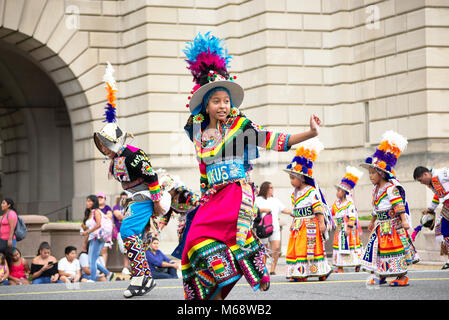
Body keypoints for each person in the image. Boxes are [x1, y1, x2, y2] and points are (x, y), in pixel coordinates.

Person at [178, 32, 322, 300]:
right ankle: (227, 281)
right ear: (206, 105)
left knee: (216, 241)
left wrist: (310, 133)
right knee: (194, 245)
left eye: (226, 100)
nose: (223, 105)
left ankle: (252, 254)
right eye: (216, 100)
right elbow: (203, 171)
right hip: (212, 198)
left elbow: (274, 140)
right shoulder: (197, 131)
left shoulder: (240, 127)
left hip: (235, 195)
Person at [93, 62, 164, 298]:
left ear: (112, 142)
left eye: (104, 143)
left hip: (144, 197)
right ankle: (142, 278)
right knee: (130, 236)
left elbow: (151, 175)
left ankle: (142, 277)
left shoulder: (132, 153)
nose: (102, 148)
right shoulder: (116, 159)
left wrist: (155, 202)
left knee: (127, 231)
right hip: (134, 199)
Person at [360, 130, 419, 286]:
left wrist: (404, 220)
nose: (370, 176)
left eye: (373, 173)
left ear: (382, 173)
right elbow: (377, 207)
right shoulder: (376, 190)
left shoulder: (391, 188)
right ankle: (382, 274)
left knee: (395, 250)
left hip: (393, 226)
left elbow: (398, 205)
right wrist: (373, 220)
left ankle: (402, 277)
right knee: (379, 251)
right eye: (370, 173)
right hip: (381, 225)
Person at [283, 138, 332, 282]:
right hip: (298, 226)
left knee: (309, 248)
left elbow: (318, 208)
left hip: (310, 225)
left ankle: (316, 271)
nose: (291, 181)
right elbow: (296, 209)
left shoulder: (311, 191)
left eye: (293, 178)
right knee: (296, 247)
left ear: (302, 178)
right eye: (290, 178)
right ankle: (300, 272)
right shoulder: (295, 193)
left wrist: (322, 223)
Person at [413, 166, 449, 269]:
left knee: (444, 231)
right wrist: (430, 208)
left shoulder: (441, 173)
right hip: (446, 206)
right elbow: (438, 196)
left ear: (425, 174)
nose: (421, 183)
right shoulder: (432, 183)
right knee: (443, 231)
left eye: (420, 180)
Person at [331, 166, 363, 273]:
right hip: (339, 229)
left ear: (344, 192)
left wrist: (348, 228)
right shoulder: (336, 204)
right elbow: (331, 213)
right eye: (337, 190)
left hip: (347, 230)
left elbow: (352, 217)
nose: (337, 192)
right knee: (338, 247)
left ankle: (357, 264)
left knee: (351, 247)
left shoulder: (349, 204)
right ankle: (340, 267)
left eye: (339, 190)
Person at [255, 181, 291, 275]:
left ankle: (272, 269)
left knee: (276, 248)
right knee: (264, 249)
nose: (272, 189)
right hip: (263, 228)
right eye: (271, 187)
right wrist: (263, 210)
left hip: (274, 228)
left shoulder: (275, 200)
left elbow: (284, 209)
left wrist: (295, 212)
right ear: (266, 189)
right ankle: (264, 268)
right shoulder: (258, 199)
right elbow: (253, 210)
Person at [80, 195, 107, 283]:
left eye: (89, 201)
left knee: (92, 260)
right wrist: (84, 243)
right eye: (87, 201)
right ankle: (109, 273)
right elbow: (87, 228)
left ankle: (92, 278)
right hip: (92, 238)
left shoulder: (96, 211)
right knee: (92, 259)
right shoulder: (90, 213)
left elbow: (99, 224)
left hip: (97, 238)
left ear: (94, 202)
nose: (87, 203)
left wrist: (87, 232)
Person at [113, 192, 130, 275]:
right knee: (125, 250)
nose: (123, 200)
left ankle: (131, 267)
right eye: (122, 198)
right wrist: (128, 216)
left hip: (130, 231)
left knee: (131, 249)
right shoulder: (116, 207)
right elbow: (119, 216)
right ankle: (125, 267)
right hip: (120, 232)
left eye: (125, 198)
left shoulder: (130, 206)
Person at [97, 192, 113, 265]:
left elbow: (110, 216)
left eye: (101, 197)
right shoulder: (94, 208)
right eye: (98, 197)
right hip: (96, 231)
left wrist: (100, 216)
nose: (100, 199)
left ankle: (103, 267)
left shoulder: (107, 208)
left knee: (104, 250)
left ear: (105, 199)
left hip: (105, 233)